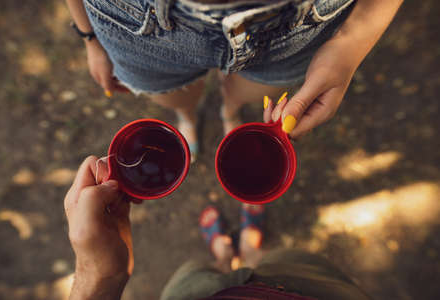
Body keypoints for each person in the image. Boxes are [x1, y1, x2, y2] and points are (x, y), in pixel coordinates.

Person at [65, 96, 372, 299]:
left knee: (197, 272)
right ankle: (250, 249)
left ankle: (223, 254)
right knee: (282, 260)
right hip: (309, 290)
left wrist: (99, 279)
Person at [65, 0, 403, 161]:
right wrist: (89, 35)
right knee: (177, 96)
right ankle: (188, 115)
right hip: (134, 22)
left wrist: (352, 41)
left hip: (298, 24)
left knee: (249, 93)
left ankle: (230, 111)